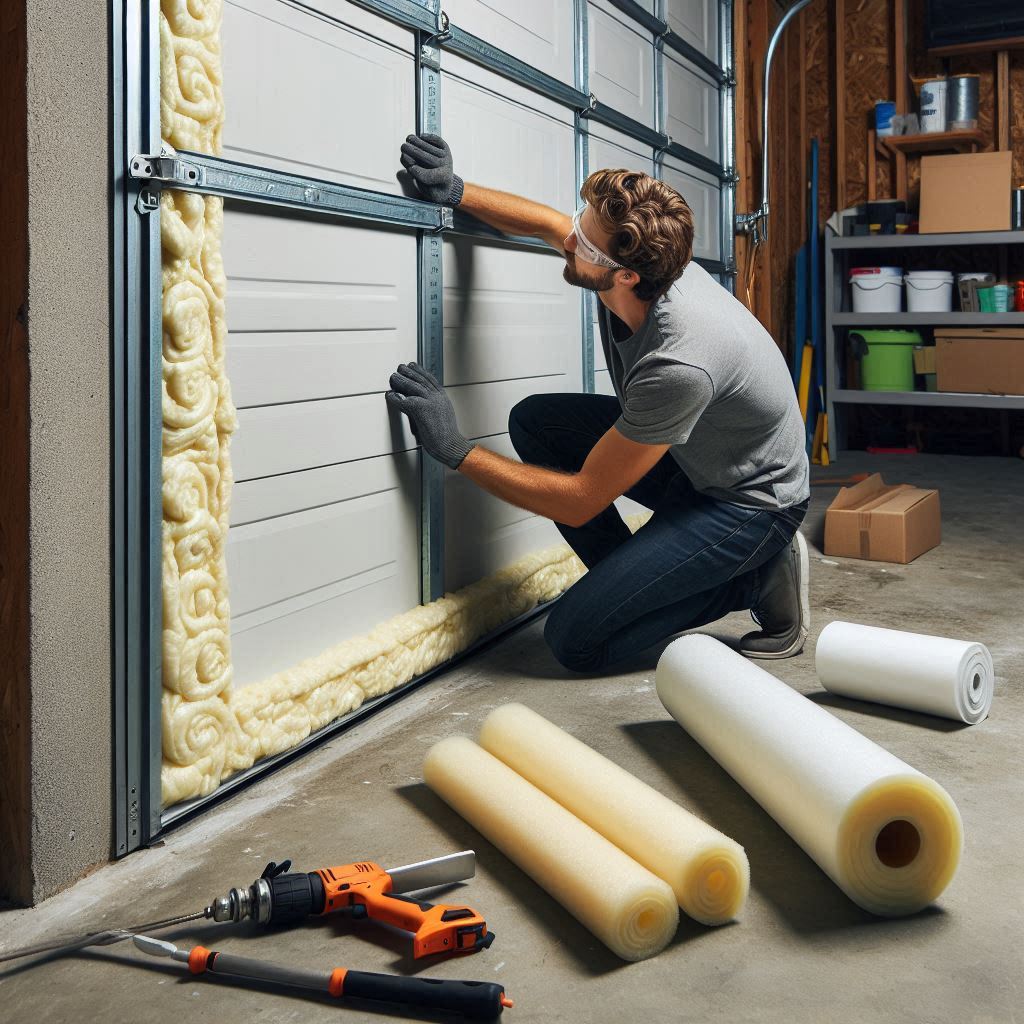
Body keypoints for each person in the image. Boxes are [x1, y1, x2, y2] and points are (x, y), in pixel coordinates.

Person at [386, 133, 810, 673]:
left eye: (583, 244)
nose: (569, 241)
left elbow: (581, 500)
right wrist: (454, 190)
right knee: (538, 422)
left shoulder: (679, 361)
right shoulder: (643, 262)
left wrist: (455, 449)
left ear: (626, 275)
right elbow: (547, 223)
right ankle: (631, 590)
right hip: (700, 460)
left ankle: (756, 578)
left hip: (750, 503)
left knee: (574, 641)